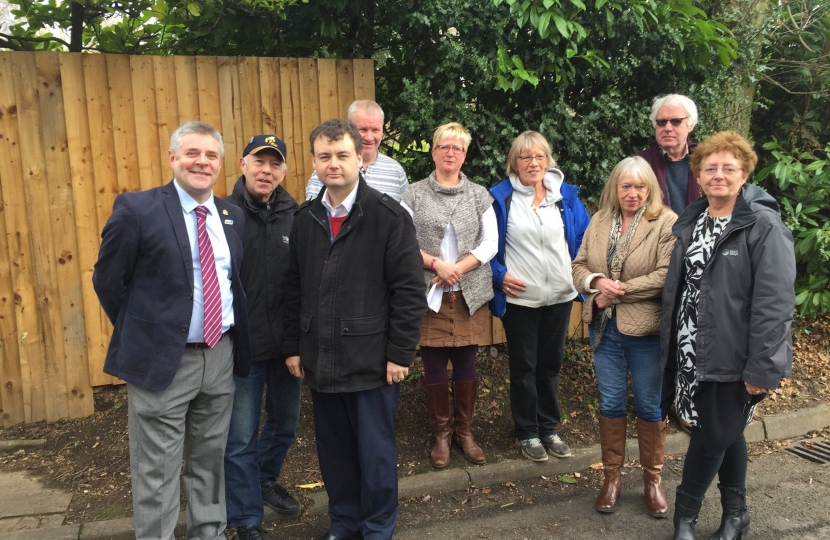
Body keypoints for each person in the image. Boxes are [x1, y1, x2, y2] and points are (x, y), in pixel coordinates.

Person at [93, 120, 251, 540]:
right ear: (173, 158)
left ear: (220, 164)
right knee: (156, 471)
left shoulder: (231, 215)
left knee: (209, 463)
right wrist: (147, 333)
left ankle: (209, 534)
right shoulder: (138, 209)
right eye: (192, 153)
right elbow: (109, 281)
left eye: (211, 155)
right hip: (163, 361)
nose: (202, 162)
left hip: (219, 357)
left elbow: (234, 282)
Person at [283, 119, 427, 540]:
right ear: (313, 162)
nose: (334, 164)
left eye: (342, 155)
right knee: (334, 452)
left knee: (375, 452)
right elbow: (293, 288)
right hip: (320, 359)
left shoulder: (388, 216)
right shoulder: (305, 219)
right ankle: (344, 521)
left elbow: (408, 290)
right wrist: (294, 346)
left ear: (360, 159)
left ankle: (378, 525)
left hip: (372, 361)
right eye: (325, 156)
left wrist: (401, 353)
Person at [661, 131, 795, 540]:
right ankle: (736, 516)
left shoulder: (763, 226)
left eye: (729, 168)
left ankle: (684, 516)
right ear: (698, 175)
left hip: (733, 355)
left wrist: (761, 367)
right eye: (710, 168)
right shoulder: (693, 219)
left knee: (711, 433)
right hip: (691, 350)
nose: (718, 175)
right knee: (727, 430)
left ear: (744, 174)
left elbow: (774, 304)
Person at [571, 156, 677, 518]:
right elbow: (579, 266)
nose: (633, 193)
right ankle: (612, 478)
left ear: (650, 189)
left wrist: (618, 289)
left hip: (646, 331)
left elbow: (666, 274)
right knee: (611, 404)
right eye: (625, 186)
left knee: (649, 407)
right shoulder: (599, 220)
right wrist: (596, 283)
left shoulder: (665, 222)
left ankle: (652, 481)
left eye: (640, 186)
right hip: (605, 330)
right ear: (615, 188)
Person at [489, 131, 590, 463]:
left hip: (560, 296)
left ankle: (549, 427)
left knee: (550, 365)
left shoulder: (566, 198)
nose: (533, 163)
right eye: (525, 157)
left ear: (548, 160)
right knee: (524, 367)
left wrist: (581, 279)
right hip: (521, 300)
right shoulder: (500, 199)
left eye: (539, 157)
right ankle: (527, 432)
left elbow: (584, 240)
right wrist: (499, 277)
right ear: (514, 163)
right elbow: (485, 247)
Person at [400, 122, 496, 469]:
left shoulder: (479, 195)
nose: (450, 153)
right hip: (429, 292)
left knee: (468, 362)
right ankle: (441, 435)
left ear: (465, 154)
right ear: (433, 151)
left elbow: (490, 243)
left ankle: (465, 433)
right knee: (434, 364)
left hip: (468, 291)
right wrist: (438, 265)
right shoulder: (413, 194)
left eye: (457, 148)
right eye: (444, 146)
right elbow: (403, 242)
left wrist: (458, 269)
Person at [223, 135, 300, 540]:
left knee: (285, 425)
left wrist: (298, 344)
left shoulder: (296, 215)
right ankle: (246, 518)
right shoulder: (223, 214)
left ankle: (265, 479)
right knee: (239, 438)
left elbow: (302, 284)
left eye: (275, 164)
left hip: (287, 349)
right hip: (244, 350)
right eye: (259, 162)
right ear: (243, 164)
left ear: (284, 172)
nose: (266, 170)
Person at [305, 100, 408, 201]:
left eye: (375, 130)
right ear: (349, 129)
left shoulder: (396, 171)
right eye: (363, 129)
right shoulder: (327, 173)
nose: (369, 137)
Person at [636, 94, 701, 214]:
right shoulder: (640, 163)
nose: (668, 128)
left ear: (690, 125)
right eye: (662, 122)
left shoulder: (707, 160)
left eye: (676, 121)